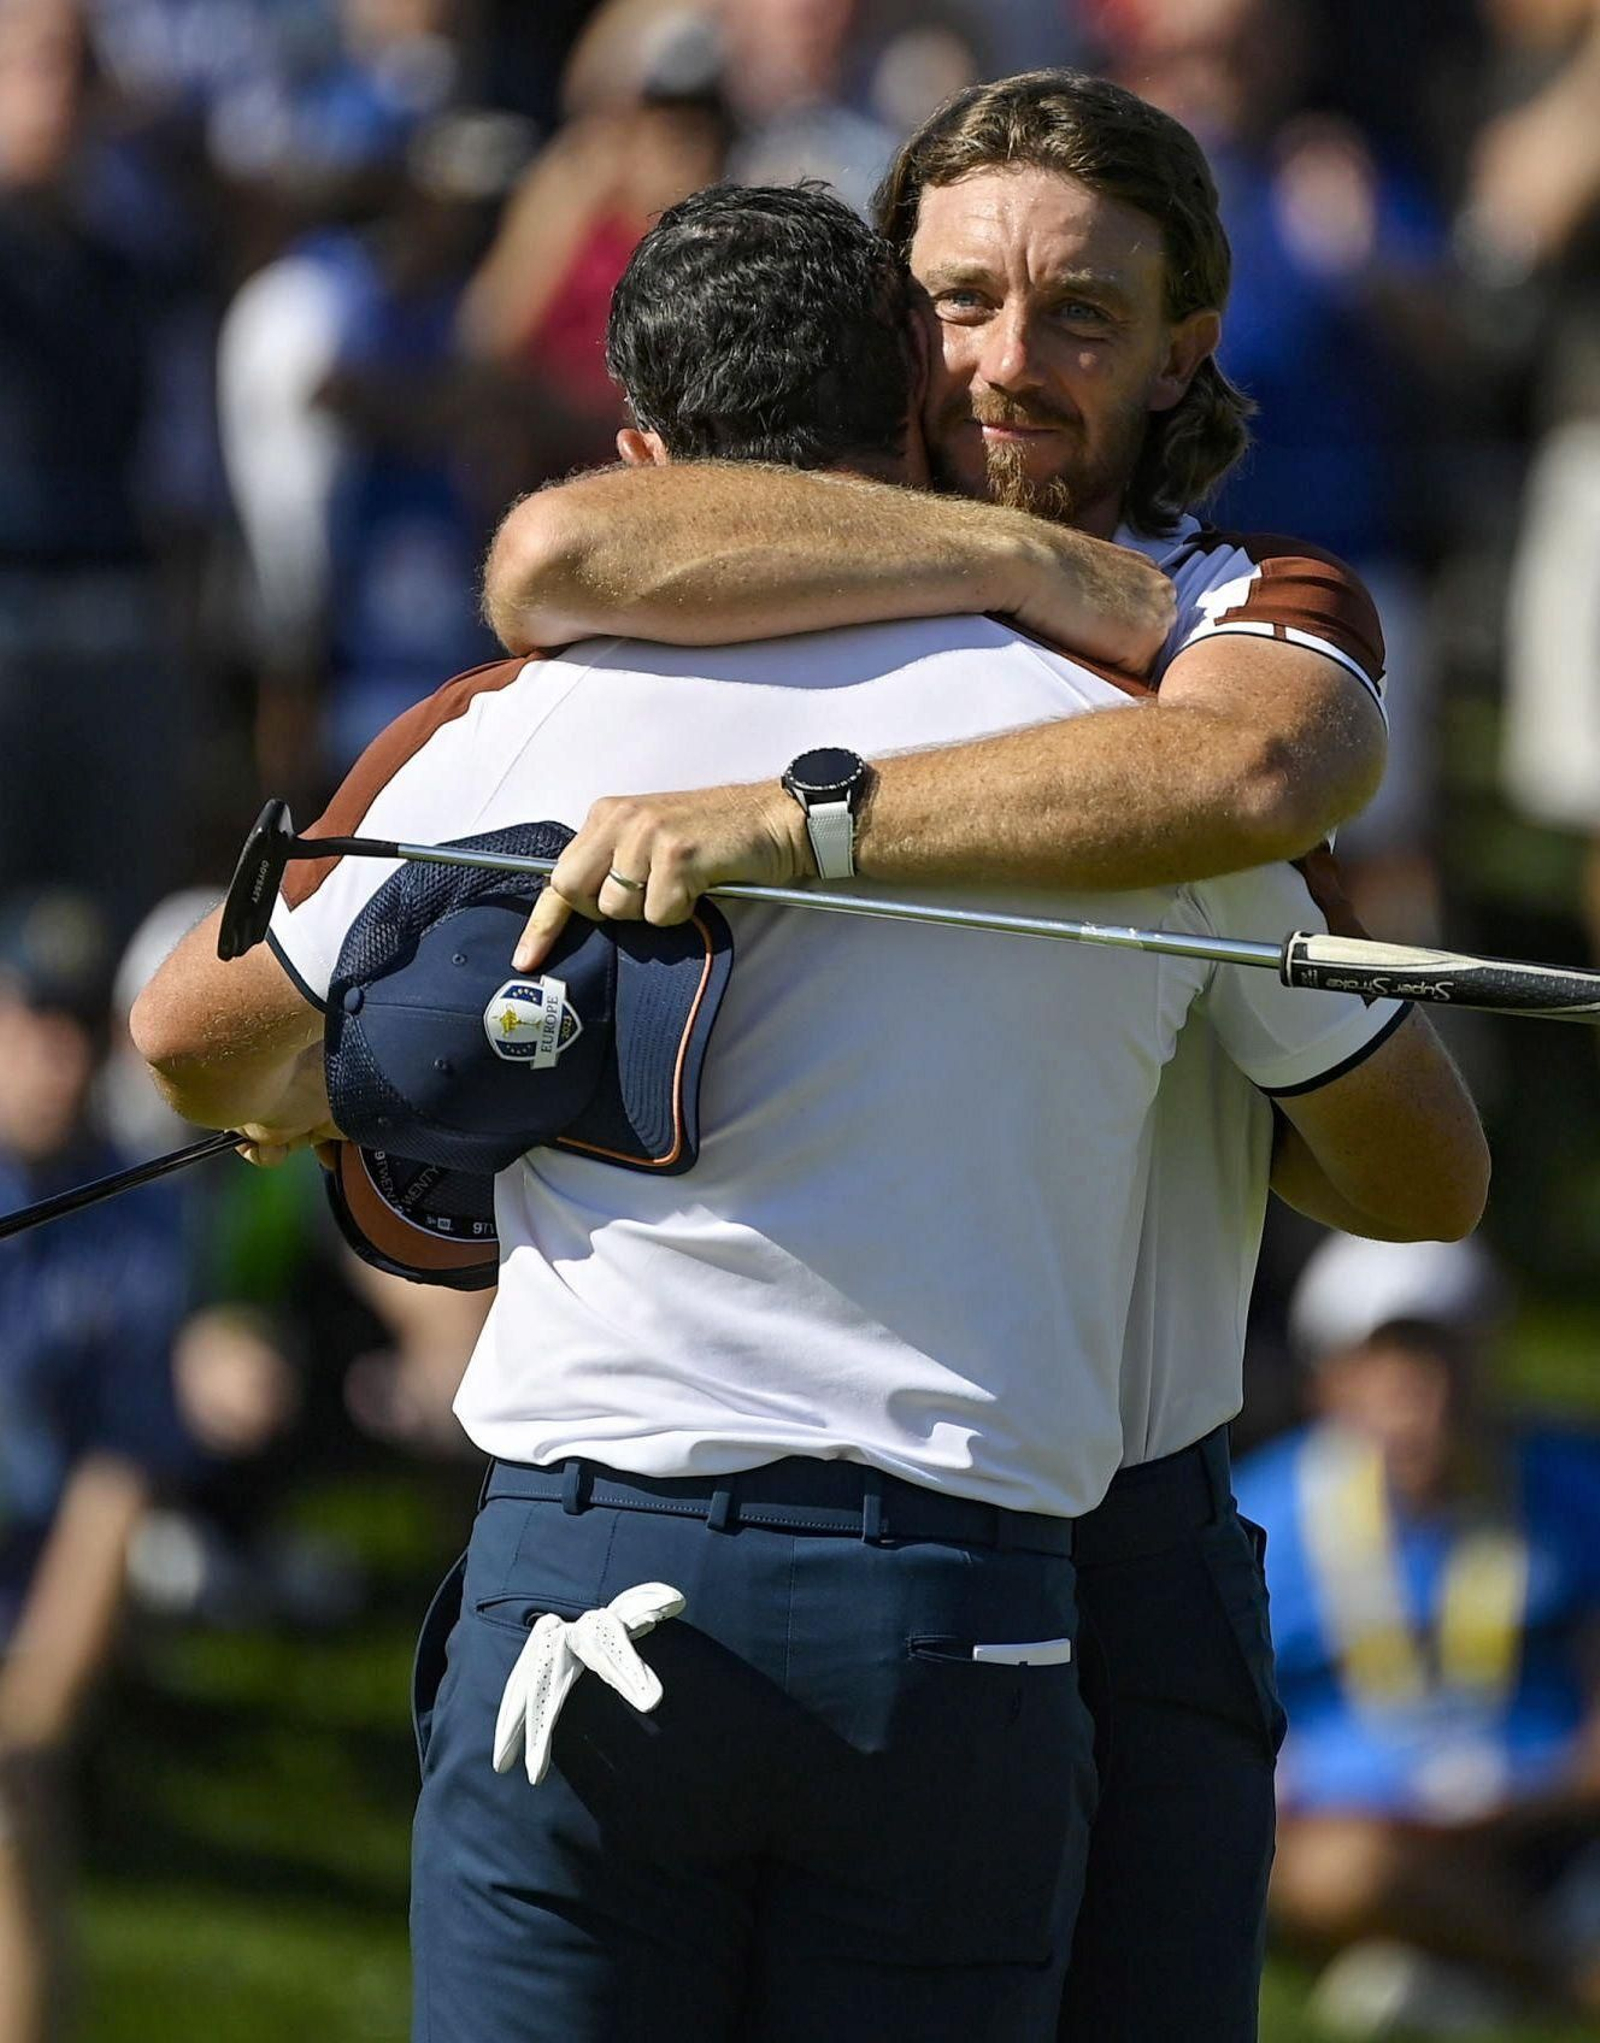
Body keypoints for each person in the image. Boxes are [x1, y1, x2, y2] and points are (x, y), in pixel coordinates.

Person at [131, 185, 1486, 2043]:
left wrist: (336, 1081)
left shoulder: (514, 724)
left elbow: (195, 1046)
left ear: (644, 453)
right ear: (915, 411)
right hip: (964, 1609)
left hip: (589, 1572)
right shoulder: (1130, 754)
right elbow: (1431, 1172)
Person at [479, 69, 1422, 2040]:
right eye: (960, 300)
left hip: (1125, 1539)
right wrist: (1015, 581)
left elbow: (1245, 763)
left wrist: (796, 817)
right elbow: (550, 555)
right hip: (752, 1506)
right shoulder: (793, 574)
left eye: (1079, 313)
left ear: (1182, 352)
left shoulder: (1240, 601)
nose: (1007, 361)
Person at [1235, 1233, 1600, 2032]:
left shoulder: (1567, 1485)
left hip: (1540, 1816)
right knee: (1347, 1873)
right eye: (1388, 1362)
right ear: (1327, 1380)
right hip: (1354, 1831)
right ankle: (1557, 1973)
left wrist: (1551, 1792)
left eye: (1446, 1358)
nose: (1422, 1394)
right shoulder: (1261, 1516)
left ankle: (1443, 1971)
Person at [0, 890, 191, 2043]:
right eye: (32, 1022)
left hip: (23, 1595)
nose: (56, 1059)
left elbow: (117, 1477)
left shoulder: (131, 1213)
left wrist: (38, 1698)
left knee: (16, 1818)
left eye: (80, 1032)